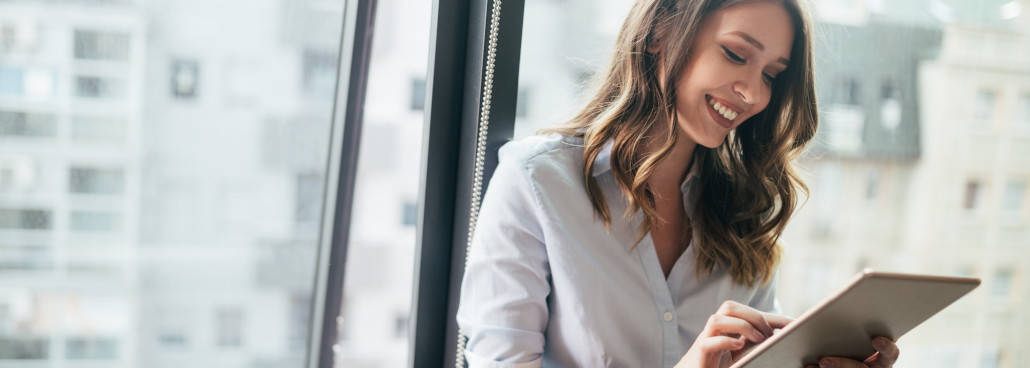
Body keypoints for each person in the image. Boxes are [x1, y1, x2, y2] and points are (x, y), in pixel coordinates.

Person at [456, 0, 901, 367]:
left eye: (770, 74)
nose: (753, 93)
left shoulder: (746, 214)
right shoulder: (537, 181)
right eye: (736, 54)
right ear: (660, 34)